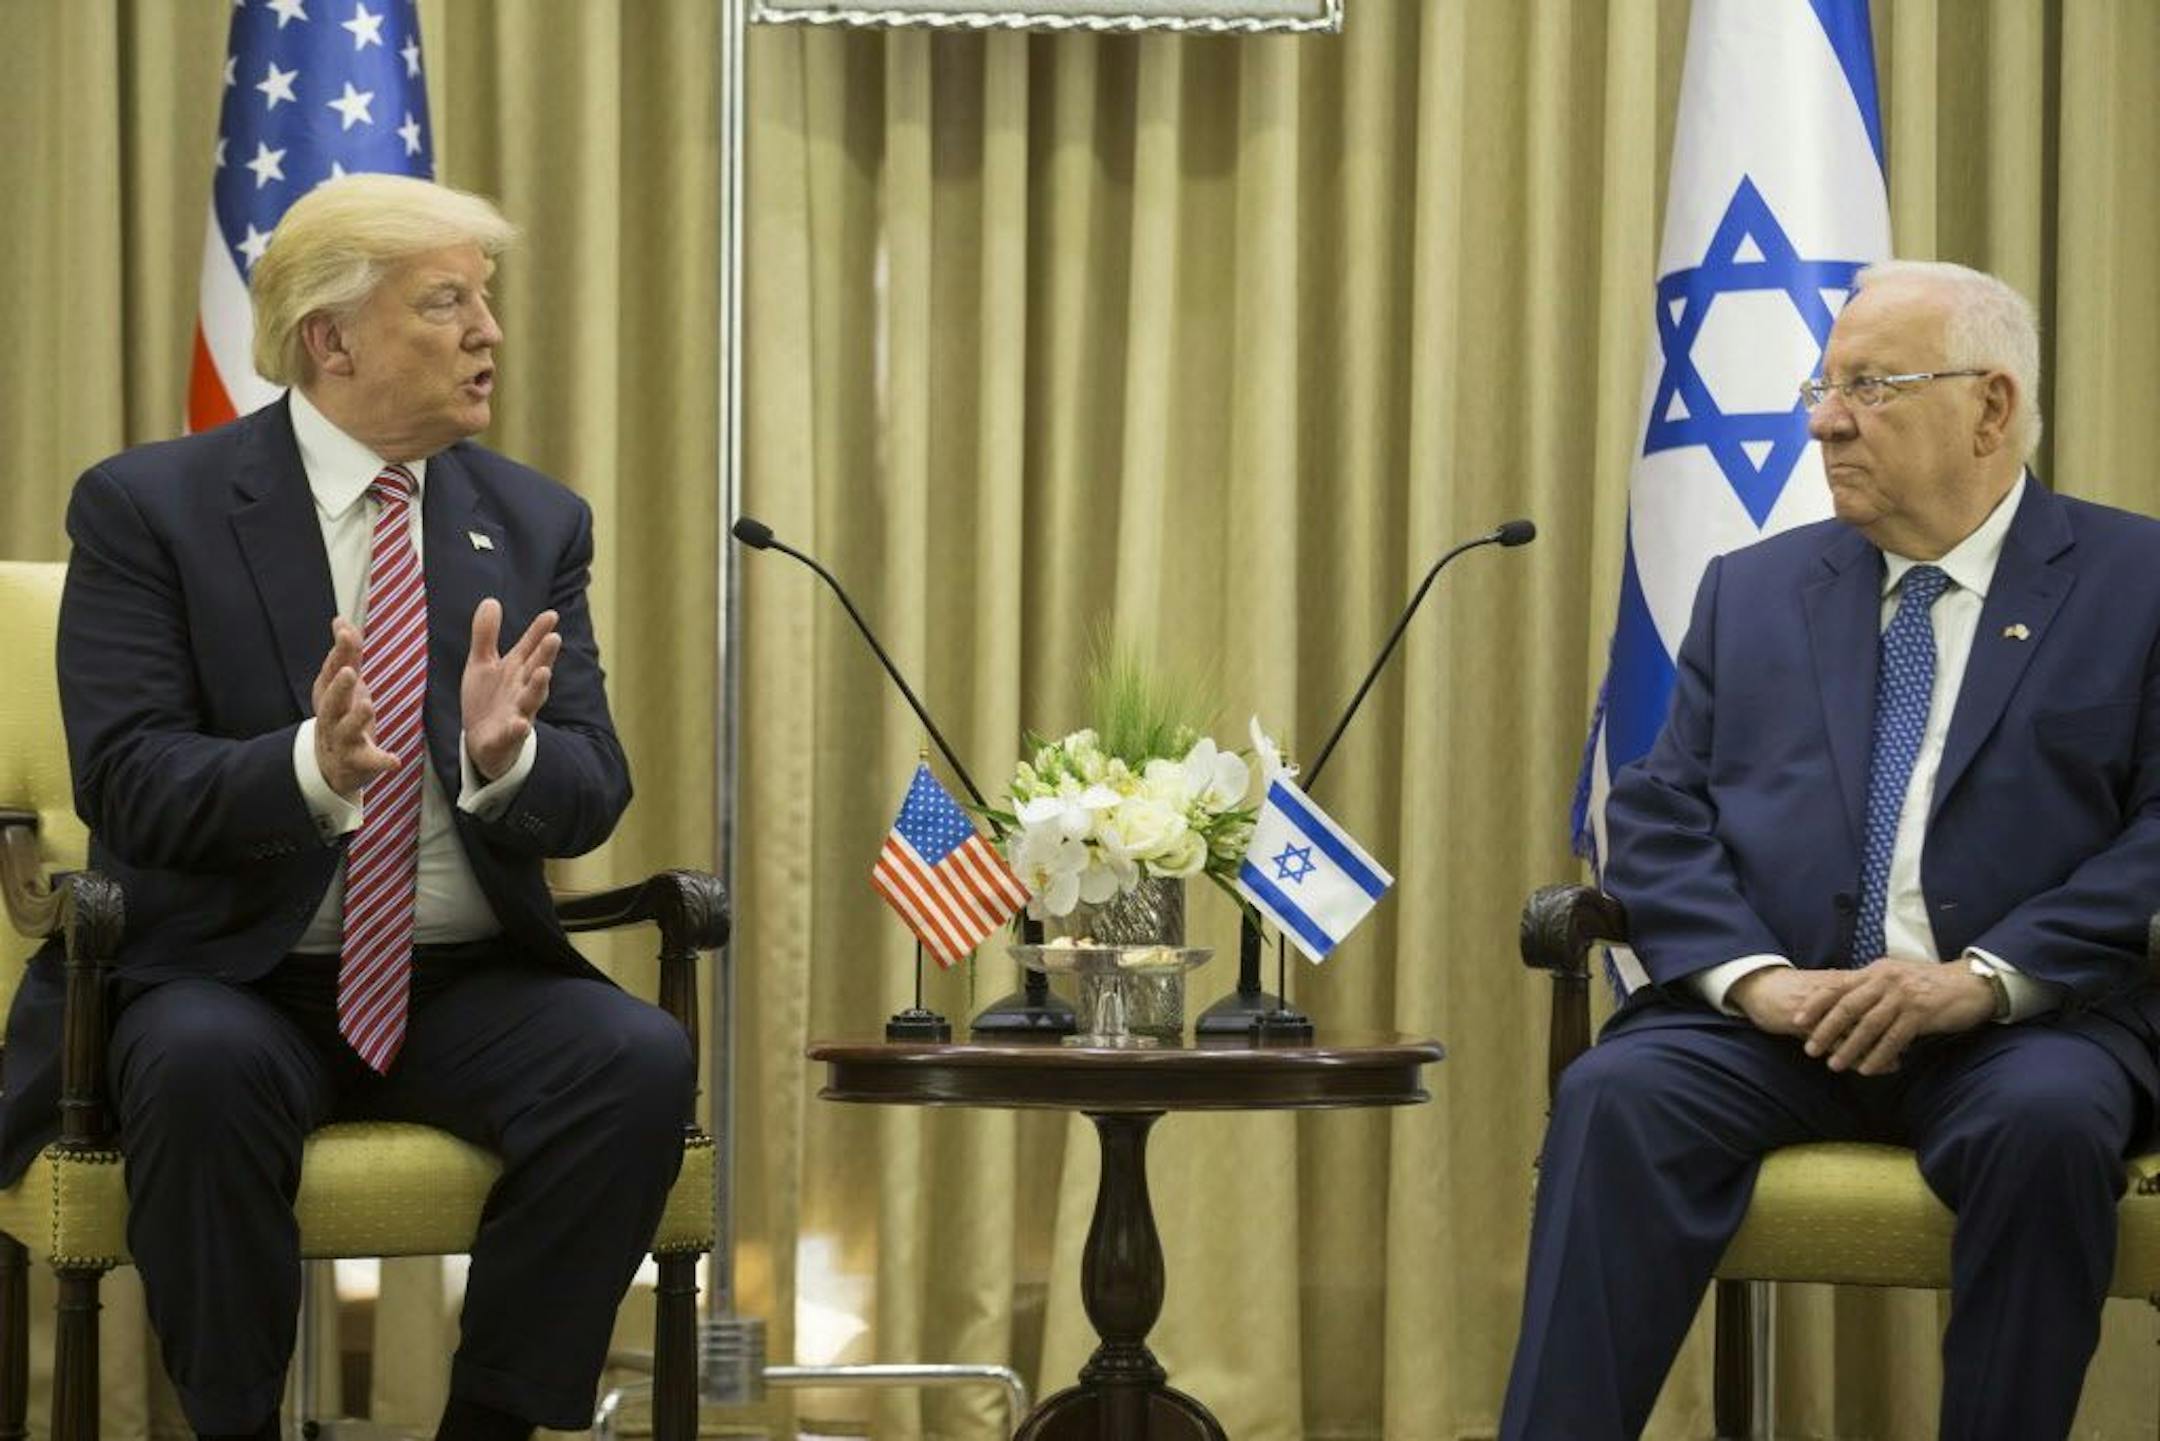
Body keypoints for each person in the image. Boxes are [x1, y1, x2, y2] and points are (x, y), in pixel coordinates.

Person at [0, 174, 694, 1441]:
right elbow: (128, 780)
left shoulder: (534, 521)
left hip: (461, 984)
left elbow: (594, 786)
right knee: (203, 1067)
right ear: (332, 338)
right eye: (446, 303)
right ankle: (236, 1425)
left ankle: (488, 1424)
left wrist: (508, 761)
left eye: (487, 302)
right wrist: (311, 769)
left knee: (636, 1059)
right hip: (223, 973)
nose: (489, 332)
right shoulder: (150, 508)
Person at [1500, 261, 2160, 1440]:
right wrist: (1755, 980)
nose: (1823, 419)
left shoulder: (2137, 582)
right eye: (1824, 383)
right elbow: (1657, 809)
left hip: (2025, 1026)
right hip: (1785, 1022)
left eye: (1871, 385)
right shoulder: (1754, 590)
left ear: (1991, 408)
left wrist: (1983, 978)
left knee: (2048, 1126)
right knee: (1614, 1095)